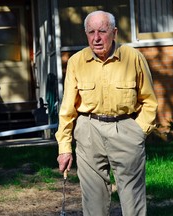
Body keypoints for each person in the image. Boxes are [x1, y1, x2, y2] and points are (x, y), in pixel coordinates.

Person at [55, 10, 158, 216]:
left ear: (114, 32)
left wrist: (138, 133)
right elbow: (67, 110)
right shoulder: (76, 62)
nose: (96, 38)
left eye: (102, 31)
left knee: (133, 200)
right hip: (88, 130)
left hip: (126, 129)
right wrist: (64, 148)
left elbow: (149, 101)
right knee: (93, 203)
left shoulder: (133, 58)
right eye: (91, 32)